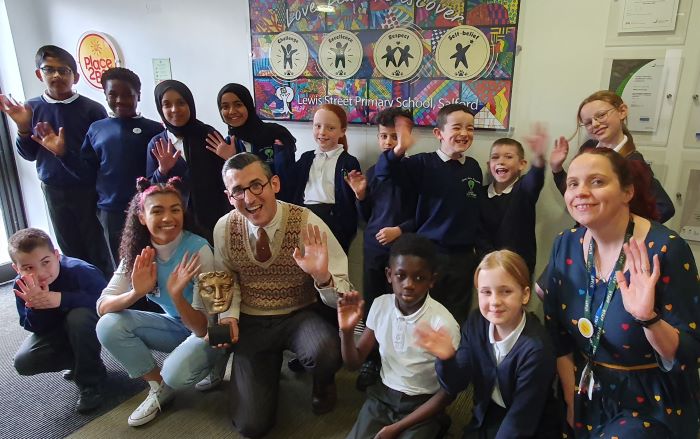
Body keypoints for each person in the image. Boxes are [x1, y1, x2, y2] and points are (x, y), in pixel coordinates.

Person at [543, 148, 700, 438]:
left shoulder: (665, 249)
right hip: (586, 390)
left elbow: (689, 354)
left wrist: (648, 319)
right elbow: (557, 334)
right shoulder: (565, 244)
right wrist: (570, 398)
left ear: (627, 192)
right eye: (573, 183)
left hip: (650, 400)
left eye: (597, 182)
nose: (580, 192)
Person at [214, 153, 351, 438]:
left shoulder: (307, 223)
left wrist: (322, 276)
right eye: (238, 191)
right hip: (252, 321)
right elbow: (226, 280)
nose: (249, 199)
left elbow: (345, 295)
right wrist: (227, 318)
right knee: (252, 426)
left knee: (326, 352)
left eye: (256, 185)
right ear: (229, 196)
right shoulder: (224, 228)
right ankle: (263, 372)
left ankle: (322, 382)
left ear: (274, 183)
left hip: (298, 316)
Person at [95, 177, 222, 427]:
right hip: (177, 325)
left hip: (217, 329)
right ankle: (158, 388)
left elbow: (205, 328)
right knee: (108, 325)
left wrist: (177, 294)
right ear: (142, 216)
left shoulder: (199, 250)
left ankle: (221, 358)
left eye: (175, 210)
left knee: (177, 373)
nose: (168, 218)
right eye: (157, 210)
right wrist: (134, 294)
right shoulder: (138, 252)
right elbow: (102, 306)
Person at [416, 250, 560, 438]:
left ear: (525, 295)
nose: (494, 301)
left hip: (530, 427)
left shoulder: (536, 349)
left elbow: (520, 422)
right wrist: (447, 358)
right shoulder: (477, 323)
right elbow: (456, 384)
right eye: (486, 292)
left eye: (505, 291)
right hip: (486, 416)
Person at [0, 45, 112, 277]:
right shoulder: (31, 108)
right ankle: (78, 296)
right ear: (39, 74)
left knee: (98, 248)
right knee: (68, 248)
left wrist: (64, 152)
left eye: (64, 70)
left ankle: (103, 298)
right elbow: (29, 154)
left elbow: (101, 158)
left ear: (76, 76)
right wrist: (22, 127)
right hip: (54, 190)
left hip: (88, 190)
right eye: (49, 70)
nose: (57, 76)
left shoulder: (92, 109)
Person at [339, 234, 459, 439]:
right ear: (389, 275)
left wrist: (395, 428)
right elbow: (353, 363)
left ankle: (437, 425)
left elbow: (448, 393)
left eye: (419, 278)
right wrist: (347, 332)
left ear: (432, 280)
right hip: (382, 397)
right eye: (400, 275)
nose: (408, 284)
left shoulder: (443, 323)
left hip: (423, 404)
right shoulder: (380, 305)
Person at [375, 104, 482, 323]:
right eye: (457, 127)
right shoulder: (421, 163)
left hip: (463, 258)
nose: (464, 133)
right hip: (430, 255)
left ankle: (451, 357)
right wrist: (400, 149)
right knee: (423, 314)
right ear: (439, 133)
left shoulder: (473, 167)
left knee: (456, 316)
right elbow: (384, 173)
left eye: (470, 128)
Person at [58, 67, 163, 265]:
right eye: (113, 94)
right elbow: (86, 172)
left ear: (138, 96)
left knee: (151, 258)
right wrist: (63, 154)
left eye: (127, 95)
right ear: (105, 95)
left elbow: (161, 171)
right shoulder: (97, 129)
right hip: (111, 210)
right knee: (120, 264)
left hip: (147, 206)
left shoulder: (153, 129)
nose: (120, 100)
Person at [344, 107, 416, 391]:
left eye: (395, 136)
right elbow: (366, 216)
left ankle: (399, 359)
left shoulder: (415, 170)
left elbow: (423, 214)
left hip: (405, 250)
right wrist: (361, 195)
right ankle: (371, 359)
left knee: (404, 304)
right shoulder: (374, 171)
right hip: (374, 248)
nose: (388, 142)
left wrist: (401, 230)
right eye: (384, 136)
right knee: (375, 304)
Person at [9, 228, 107, 413]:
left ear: (56, 255)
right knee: (24, 361)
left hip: (94, 328)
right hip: (59, 331)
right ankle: (79, 362)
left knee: (79, 317)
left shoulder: (81, 271)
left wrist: (60, 299)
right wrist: (36, 306)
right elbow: (32, 327)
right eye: (28, 268)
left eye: (46, 262)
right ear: (17, 268)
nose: (41, 273)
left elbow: (109, 301)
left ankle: (90, 383)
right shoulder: (21, 286)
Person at [549, 90, 674, 223]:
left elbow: (665, 208)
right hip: (586, 235)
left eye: (601, 115)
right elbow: (577, 196)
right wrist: (557, 169)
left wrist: (622, 227)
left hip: (608, 239)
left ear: (622, 111)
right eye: (588, 122)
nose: (595, 124)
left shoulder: (633, 163)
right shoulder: (588, 148)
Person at [145, 79, 230, 240]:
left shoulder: (208, 135)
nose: (175, 109)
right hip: (175, 226)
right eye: (167, 104)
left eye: (181, 103)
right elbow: (149, 191)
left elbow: (228, 178)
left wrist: (230, 158)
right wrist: (162, 171)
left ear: (190, 104)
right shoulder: (157, 144)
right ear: (160, 108)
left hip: (214, 221)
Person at [205, 83, 297, 201]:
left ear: (248, 105)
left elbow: (289, 178)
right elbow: (230, 189)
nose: (232, 111)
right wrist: (230, 160)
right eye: (225, 107)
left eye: (238, 104)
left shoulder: (276, 134)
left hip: (279, 206)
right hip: (247, 208)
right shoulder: (226, 145)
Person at [292, 103, 361, 253]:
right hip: (305, 218)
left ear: (342, 131)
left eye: (330, 128)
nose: (322, 132)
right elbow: (290, 183)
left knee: (333, 269)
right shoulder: (306, 158)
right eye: (317, 126)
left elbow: (352, 199)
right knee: (305, 267)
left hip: (334, 223)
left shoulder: (349, 162)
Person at [478, 130, 546, 277]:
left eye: (508, 157)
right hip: (489, 267)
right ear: (489, 165)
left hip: (519, 267)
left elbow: (535, 179)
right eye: (495, 157)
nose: (501, 161)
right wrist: (493, 261)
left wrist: (539, 157)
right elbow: (479, 234)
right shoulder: (480, 195)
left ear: (522, 164)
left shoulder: (523, 190)